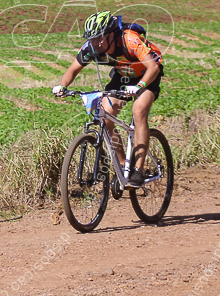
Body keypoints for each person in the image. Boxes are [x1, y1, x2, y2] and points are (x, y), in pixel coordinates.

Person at [52, 11, 164, 188]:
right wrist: (62, 86)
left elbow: (153, 68)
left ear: (111, 35)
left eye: (99, 39)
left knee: (139, 111)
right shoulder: (91, 47)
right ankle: (122, 168)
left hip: (146, 76)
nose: (95, 43)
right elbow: (73, 70)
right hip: (122, 77)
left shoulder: (130, 40)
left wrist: (140, 86)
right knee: (105, 116)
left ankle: (138, 170)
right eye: (92, 39)